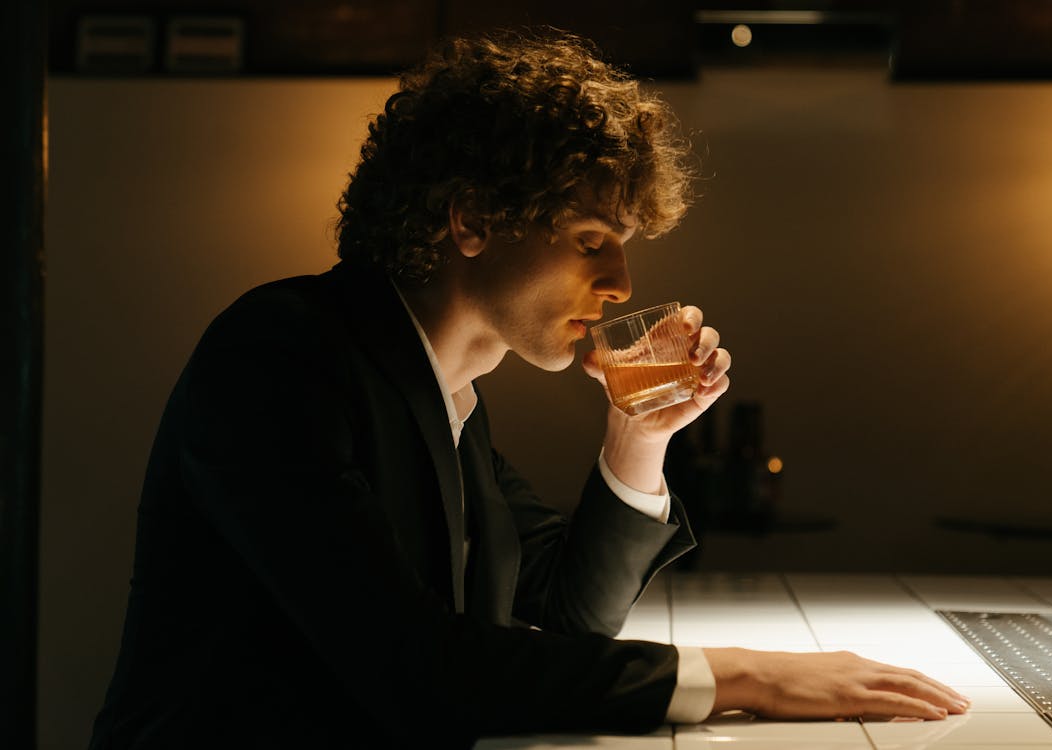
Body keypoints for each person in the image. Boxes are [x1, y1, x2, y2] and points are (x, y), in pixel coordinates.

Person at [89, 28, 968, 749]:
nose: (622, 280)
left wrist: (638, 436)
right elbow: (416, 668)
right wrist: (739, 674)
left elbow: (564, 616)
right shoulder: (280, 355)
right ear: (471, 219)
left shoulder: (449, 397)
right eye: (592, 238)